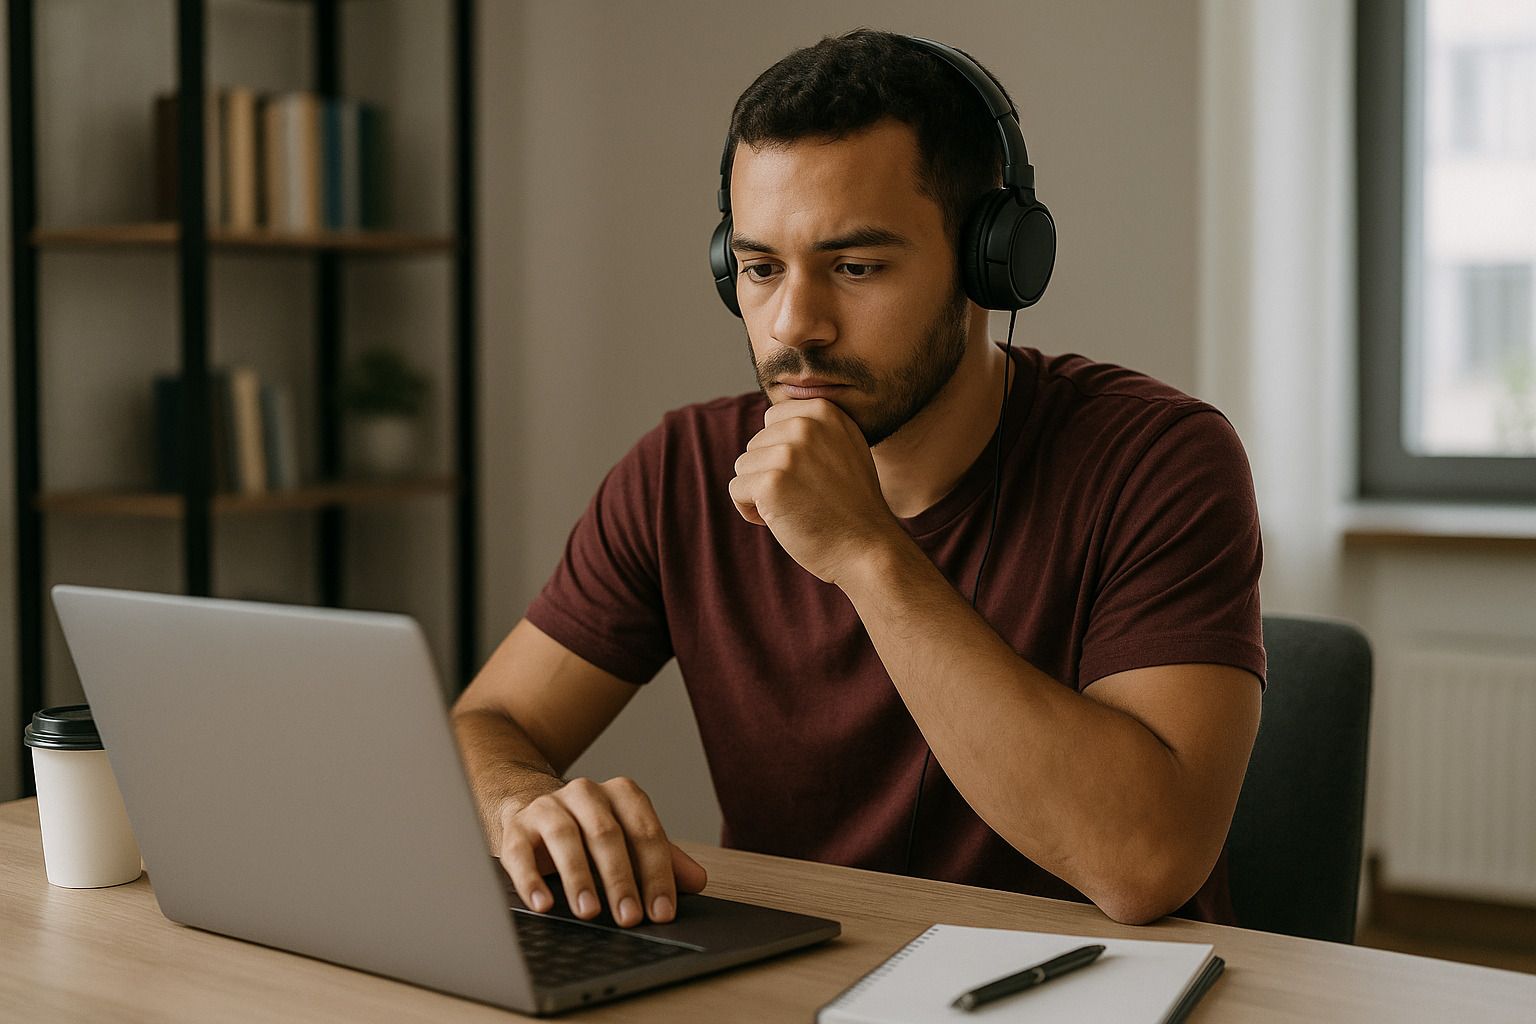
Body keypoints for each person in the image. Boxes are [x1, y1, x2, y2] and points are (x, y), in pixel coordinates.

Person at [452, 29, 1264, 931]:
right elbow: (487, 720)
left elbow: (1145, 865)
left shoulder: (1158, 461)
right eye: (760, 269)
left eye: (855, 267)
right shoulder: (681, 470)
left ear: (992, 260)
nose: (795, 325)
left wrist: (865, 550)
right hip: (792, 981)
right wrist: (520, 803)